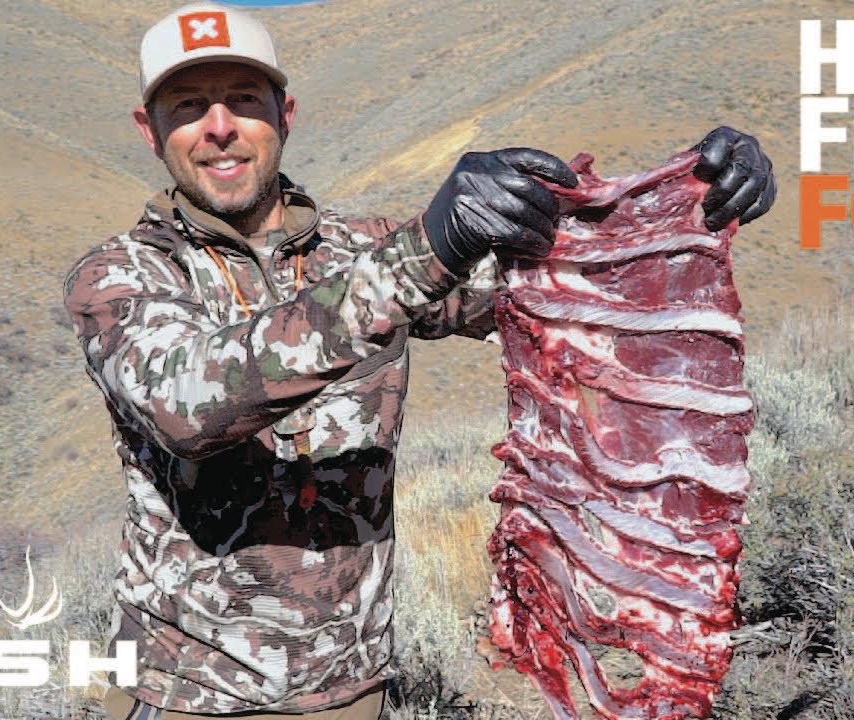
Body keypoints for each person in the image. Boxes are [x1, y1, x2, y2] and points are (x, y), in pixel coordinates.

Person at [62, 3, 775, 718]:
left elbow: (557, 291)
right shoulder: (120, 277)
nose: (220, 127)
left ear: (285, 114)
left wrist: (688, 206)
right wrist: (429, 250)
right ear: (148, 129)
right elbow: (185, 404)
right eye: (188, 105)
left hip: (353, 692)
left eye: (244, 100)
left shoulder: (360, 251)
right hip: (187, 693)